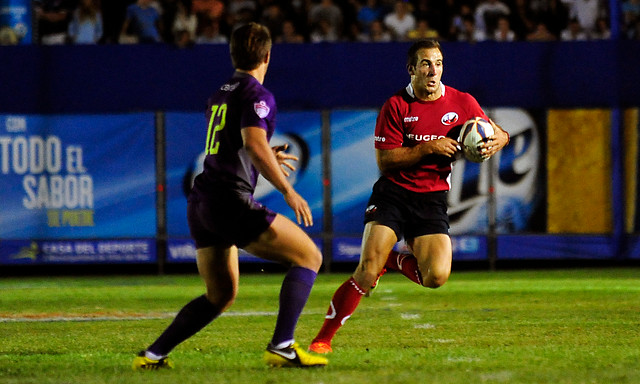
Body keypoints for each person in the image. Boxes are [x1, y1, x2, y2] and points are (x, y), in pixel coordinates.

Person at [133, 22, 328, 370]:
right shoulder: (257, 94)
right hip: (228, 200)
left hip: (203, 201)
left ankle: (153, 355)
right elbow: (252, 144)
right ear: (268, 55)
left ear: (233, 53)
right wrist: (288, 190)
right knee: (309, 257)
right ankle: (282, 345)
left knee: (220, 295)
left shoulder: (221, 90)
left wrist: (267, 151)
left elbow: (239, 144)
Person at [308, 39, 510, 354]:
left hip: (432, 198)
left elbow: (498, 131)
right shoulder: (396, 105)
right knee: (366, 269)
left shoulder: (462, 102)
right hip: (394, 195)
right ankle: (322, 339)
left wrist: (498, 140)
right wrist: (428, 147)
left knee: (436, 277)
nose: (433, 71)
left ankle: (393, 259)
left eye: (439, 63)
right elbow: (385, 161)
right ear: (411, 69)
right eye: (426, 64)